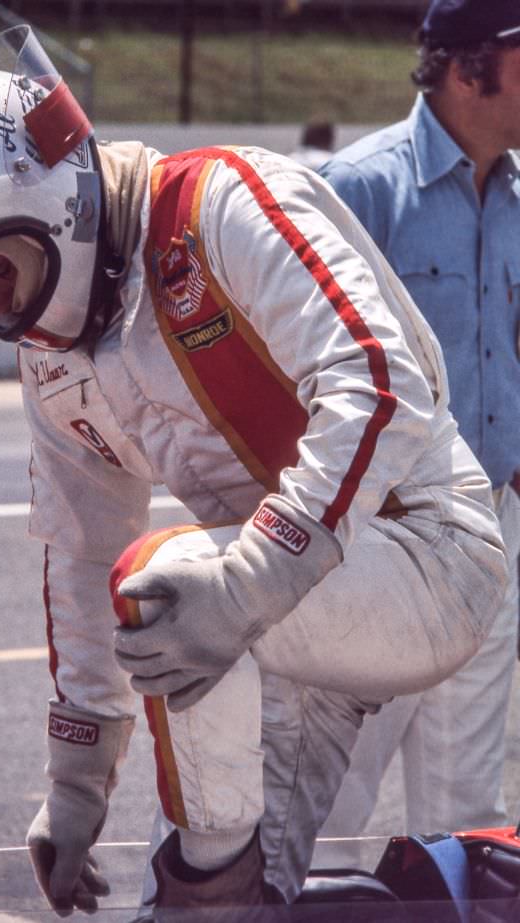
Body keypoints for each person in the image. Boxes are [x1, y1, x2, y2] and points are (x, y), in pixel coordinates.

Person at [0, 24, 508, 920]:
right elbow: (79, 549)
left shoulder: (222, 201)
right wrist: (77, 784)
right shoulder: (54, 354)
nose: (0, 310)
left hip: (427, 551)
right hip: (287, 616)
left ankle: (217, 867)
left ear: (50, 199)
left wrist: (250, 580)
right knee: (209, 912)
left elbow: (381, 384)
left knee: (164, 585)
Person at [314, 0, 520, 868]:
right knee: (327, 795)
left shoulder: (517, 194)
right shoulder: (357, 190)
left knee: (469, 805)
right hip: (377, 548)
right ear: (472, 69)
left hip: (490, 541)